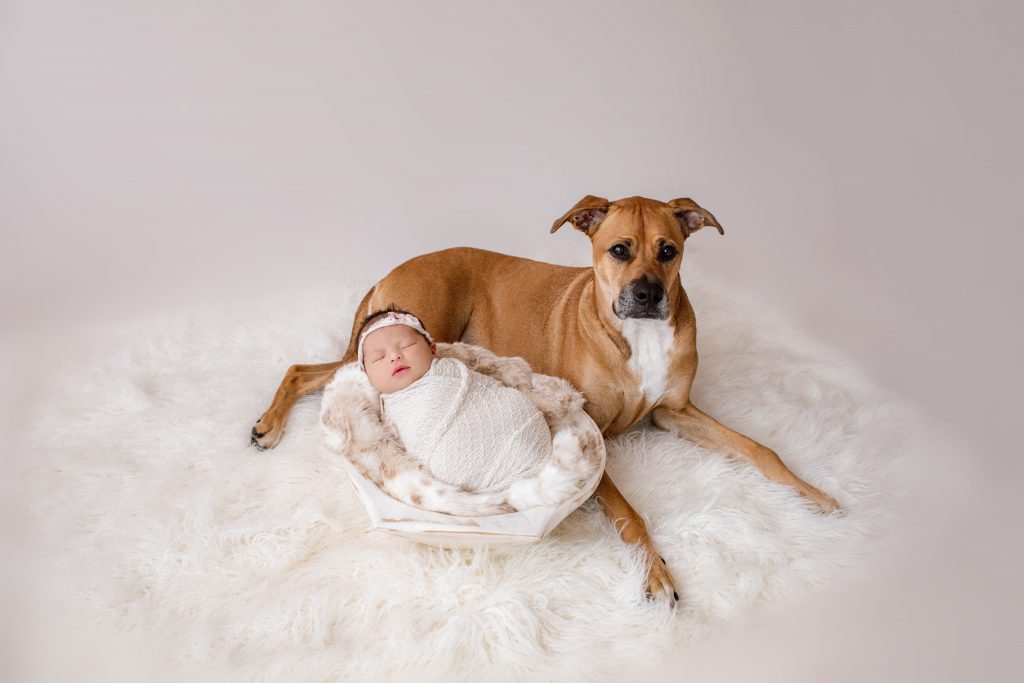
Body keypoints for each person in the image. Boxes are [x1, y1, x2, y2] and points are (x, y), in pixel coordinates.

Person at [357, 307, 551, 494]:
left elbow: (489, 389)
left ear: (432, 348)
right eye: (379, 357)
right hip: (457, 463)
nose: (395, 356)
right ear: (366, 374)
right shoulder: (383, 413)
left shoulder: (450, 370)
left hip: (519, 425)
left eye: (406, 345)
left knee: (513, 404)